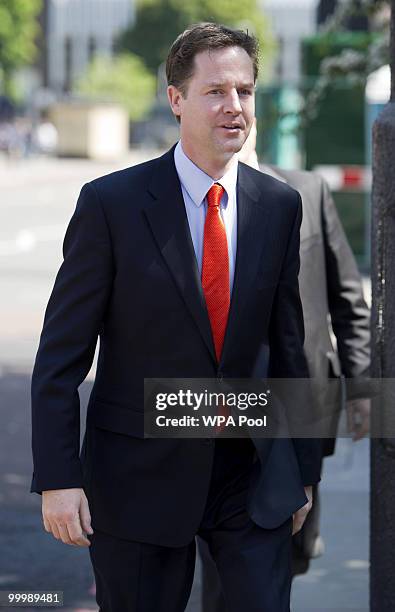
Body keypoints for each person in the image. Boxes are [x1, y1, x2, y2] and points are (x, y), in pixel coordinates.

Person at [30, 23, 321, 612]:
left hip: (252, 477)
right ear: (176, 99)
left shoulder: (278, 206)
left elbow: (290, 344)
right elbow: (62, 355)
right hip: (138, 476)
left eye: (244, 91)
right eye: (216, 91)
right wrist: (59, 478)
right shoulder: (111, 204)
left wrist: (302, 468)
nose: (234, 106)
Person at [196, 121, 370, 612]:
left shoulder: (305, 190)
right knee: (224, 563)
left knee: (291, 547)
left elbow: (347, 301)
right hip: (224, 411)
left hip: (301, 404)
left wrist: (362, 392)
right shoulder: (191, 203)